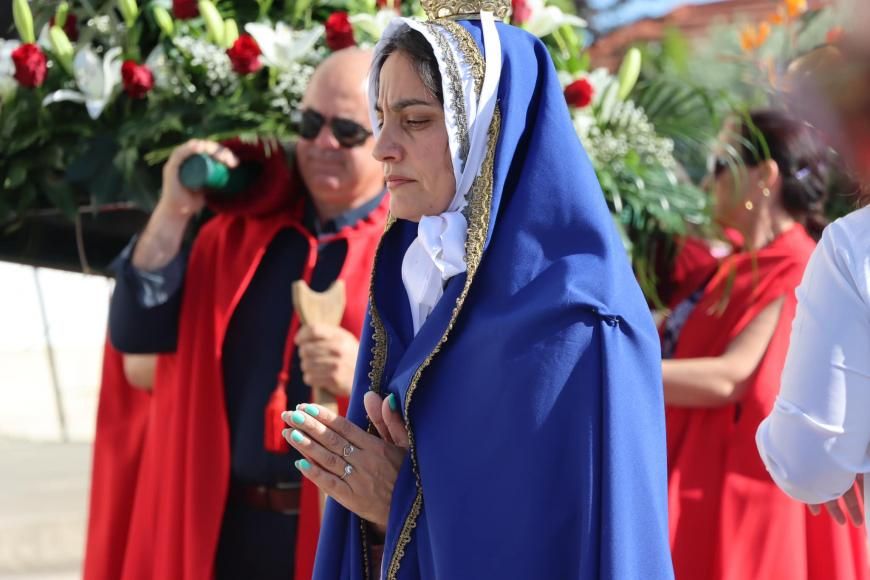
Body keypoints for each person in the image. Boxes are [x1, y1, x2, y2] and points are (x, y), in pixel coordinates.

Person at [279, 5, 674, 579]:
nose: (382, 146)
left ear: (487, 130)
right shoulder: (414, 280)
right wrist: (385, 513)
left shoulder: (583, 327)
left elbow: (576, 551)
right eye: (381, 116)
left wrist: (403, 498)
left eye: (415, 120)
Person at [93, 47, 389, 580]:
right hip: (222, 527)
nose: (323, 143)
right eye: (310, 123)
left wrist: (362, 375)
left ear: (386, 137)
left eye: (347, 131)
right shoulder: (237, 237)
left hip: (335, 532)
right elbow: (136, 334)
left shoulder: (412, 253)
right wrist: (174, 208)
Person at [662, 109, 867, 579]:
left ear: (764, 177)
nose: (708, 181)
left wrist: (611, 367)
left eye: (721, 165)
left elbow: (730, 377)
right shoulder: (731, 268)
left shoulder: (801, 266)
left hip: (750, 505)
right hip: (706, 485)